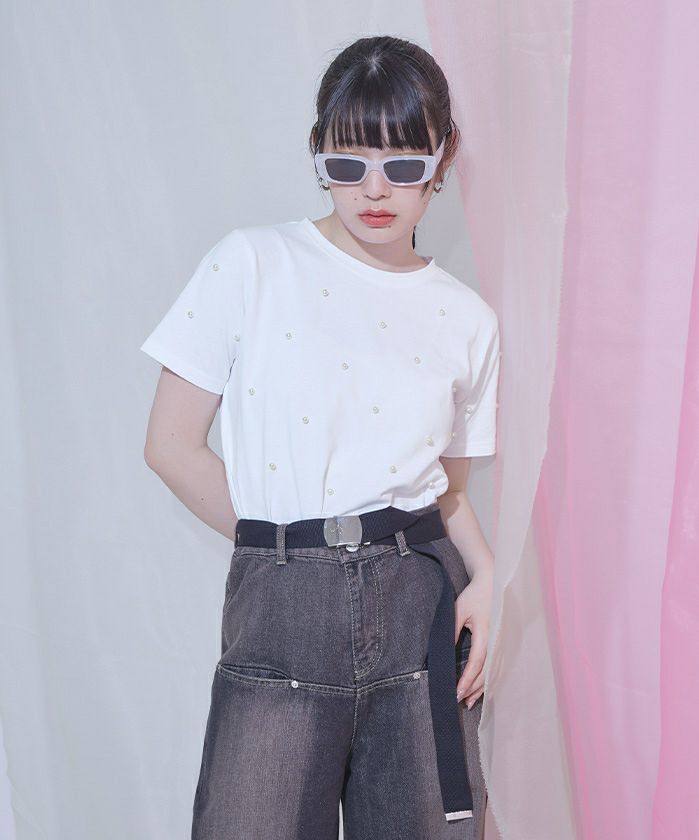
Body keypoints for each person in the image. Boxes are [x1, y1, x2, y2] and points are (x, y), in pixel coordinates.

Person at [141, 34, 500, 840]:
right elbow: (170, 445)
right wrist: (286, 547)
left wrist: (486, 578)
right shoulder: (251, 265)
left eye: (403, 165)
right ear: (317, 152)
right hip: (282, 603)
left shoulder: (466, 319)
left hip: (419, 602)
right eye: (347, 163)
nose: (374, 189)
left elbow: (445, 491)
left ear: (442, 159)